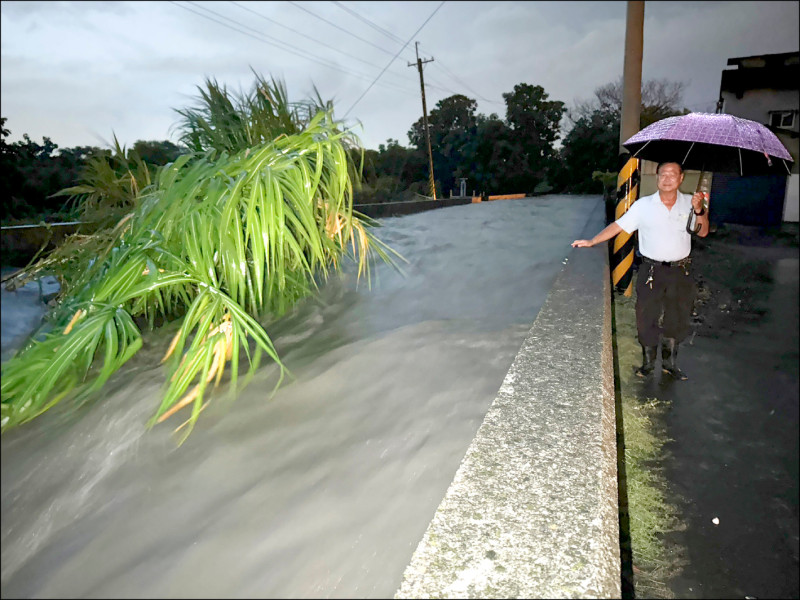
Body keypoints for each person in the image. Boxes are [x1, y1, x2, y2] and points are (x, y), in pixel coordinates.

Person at [571, 161, 709, 380]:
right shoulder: (643, 205)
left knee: (678, 316)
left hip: (680, 271)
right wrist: (592, 240)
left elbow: (702, 232)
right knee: (646, 316)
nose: (667, 178)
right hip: (651, 271)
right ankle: (647, 364)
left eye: (672, 174)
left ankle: (669, 364)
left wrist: (699, 209)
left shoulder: (690, 203)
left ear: (681, 178)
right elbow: (619, 226)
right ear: (657, 177)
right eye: (663, 174)